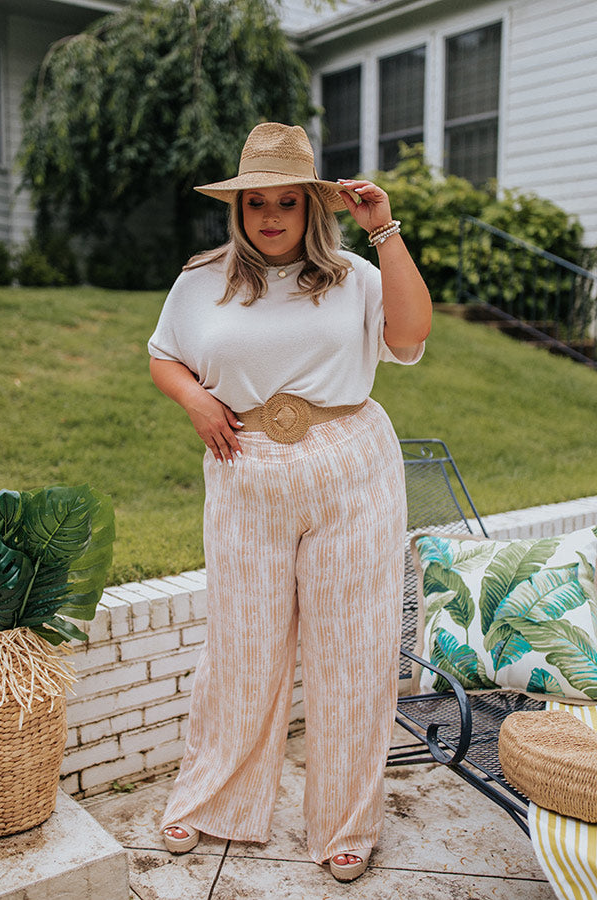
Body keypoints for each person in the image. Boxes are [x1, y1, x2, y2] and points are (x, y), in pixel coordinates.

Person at [147, 122, 431, 883]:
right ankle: (212, 803)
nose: (269, 216)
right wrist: (195, 403)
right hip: (246, 468)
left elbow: (409, 340)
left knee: (353, 653)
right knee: (241, 649)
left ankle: (346, 824)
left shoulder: (354, 274)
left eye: (285, 202)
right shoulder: (202, 279)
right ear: (238, 210)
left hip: (352, 470)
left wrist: (385, 232)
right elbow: (163, 353)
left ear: (311, 207)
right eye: (254, 203)